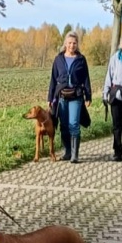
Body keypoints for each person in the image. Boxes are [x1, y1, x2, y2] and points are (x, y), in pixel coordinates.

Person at [48, 31, 92, 163]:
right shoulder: (58, 59)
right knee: (64, 125)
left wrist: (88, 96)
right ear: (65, 44)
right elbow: (53, 79)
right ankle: (67, 152)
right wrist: (50, 98)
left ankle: (75, 154)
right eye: (69, 43)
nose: (72, 45)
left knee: (73, 124)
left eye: (74, 43)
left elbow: (86, 78)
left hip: (76, 96)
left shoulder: (81, 59)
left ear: (77, 44)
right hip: (61, 96)